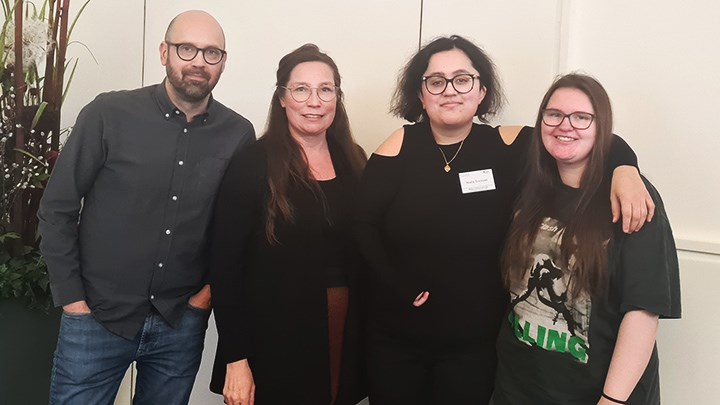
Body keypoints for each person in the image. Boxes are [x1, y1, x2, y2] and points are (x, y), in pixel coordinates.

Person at [353, 35, 653, 404]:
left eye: (462, 79)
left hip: (475, 348)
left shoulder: (510, 146)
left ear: (481, 91)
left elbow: (579, 134)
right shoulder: (398, 145)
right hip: (397, 339)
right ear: (421, 94)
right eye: (436, 81)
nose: (450, 90)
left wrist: (626, 167)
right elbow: (361, 224)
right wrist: (398, 284)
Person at [37, 10, 255, 405]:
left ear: (224, 61)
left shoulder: (238, 134)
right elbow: (57, 208)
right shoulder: (108, 114)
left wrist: (203, 299)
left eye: (211, 53)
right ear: (164, 52)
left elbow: (237, 230)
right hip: (96, 317)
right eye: (186, 48)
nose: (197, 62)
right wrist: (73, 300)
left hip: (180, 322)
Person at [494, 73, 681, 405]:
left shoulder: (630, 198)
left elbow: (643, 311)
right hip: (517, 390)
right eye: (554, 114)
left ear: (602, 127)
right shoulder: (528, 184)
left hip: (597, 394)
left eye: (582, 117)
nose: (565, 125)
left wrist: (612, 400)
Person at [208, 44, 368, 405]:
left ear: (337, 98)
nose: (315, 101)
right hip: (273, 340)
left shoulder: (354, 160)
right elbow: (225, 267)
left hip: (341, 328)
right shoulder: (253, 163)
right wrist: (236, 359)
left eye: (326, 89)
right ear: (282, 98)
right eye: (301, 89)